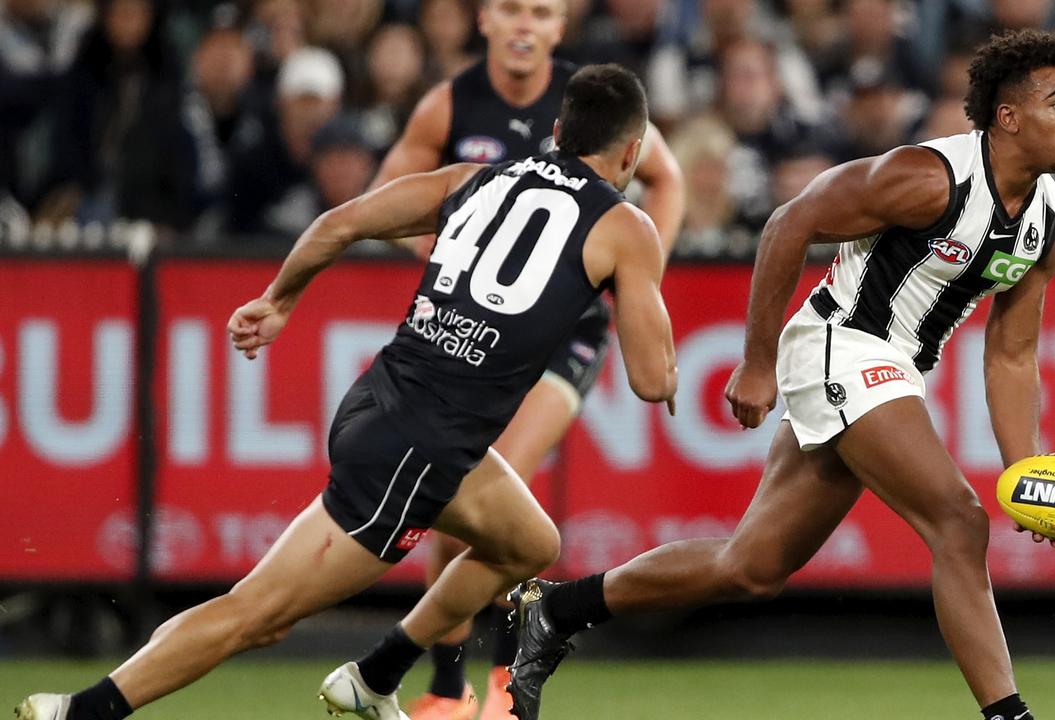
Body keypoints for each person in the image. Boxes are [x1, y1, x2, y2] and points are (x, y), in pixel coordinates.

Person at [15, 63, 677, 720]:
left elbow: (340, 223)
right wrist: (666, 358)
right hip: (416, 452)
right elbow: (651, 380)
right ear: (632, 150)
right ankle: (82, 712)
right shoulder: (625, 226)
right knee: (258, 615)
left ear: (557, 130)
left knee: (531, 544)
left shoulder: (474, 179)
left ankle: (376, 673)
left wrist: (279, 301)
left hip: (376, 404)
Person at [505, 29, 1055, 720]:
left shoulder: (1049, 221)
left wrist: (1025, 476)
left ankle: (553, 610)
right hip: (842, 346)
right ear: (1008, 117)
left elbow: (1013, 354)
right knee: (959, 523)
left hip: (890, 367)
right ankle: (1008, 714)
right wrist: (757, 363)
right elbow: (791, 221)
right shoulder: (929, 177)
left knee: (752, 568)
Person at [362, 1, 683, 718]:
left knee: (487, 475)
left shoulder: (593, 100)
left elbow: (667, 179)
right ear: (483, 20)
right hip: (487, 334)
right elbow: (386, 203)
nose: (523, 23)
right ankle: (452, 685)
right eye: (510, 6)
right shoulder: (449, 103)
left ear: (558, 28)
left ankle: (500, 678)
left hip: (566, 333)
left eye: (540, 10)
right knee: (459, 504)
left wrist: (633, 277)